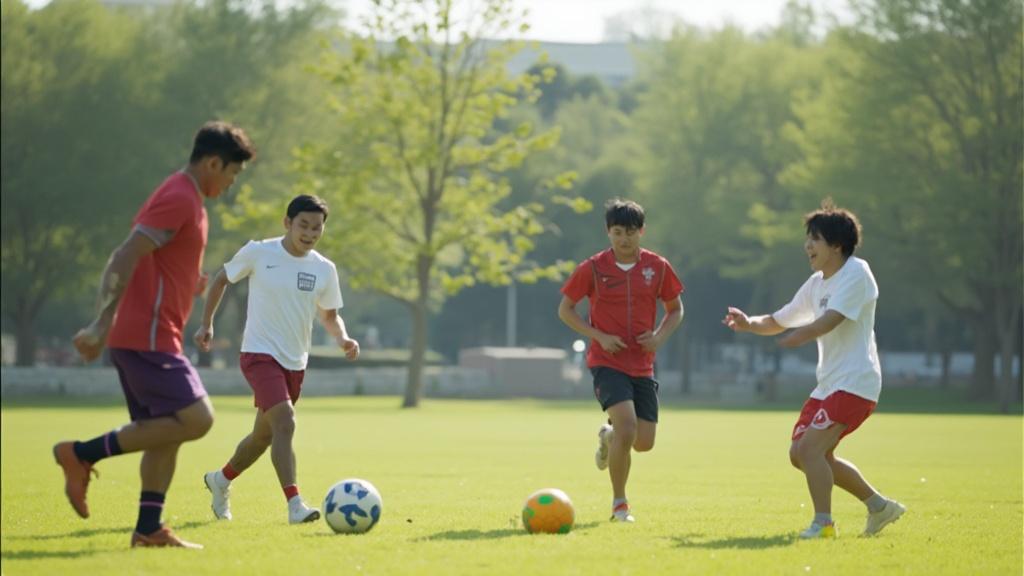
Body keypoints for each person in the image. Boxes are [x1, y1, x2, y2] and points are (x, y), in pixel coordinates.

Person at [58, 121, 255, 549]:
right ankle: (81, 454)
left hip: (153, 335)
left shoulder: (189, 200)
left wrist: (192, 283)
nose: (231, 183)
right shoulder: (180, 196)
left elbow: (161, 262)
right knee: (197, 418)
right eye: (231, 174)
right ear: (213, 162)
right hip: (145, 335)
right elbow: (125, 253)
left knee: (167, 429)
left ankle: (148, 529)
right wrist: (100, 322)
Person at [722, 200, 906, 539]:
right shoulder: (816, 282)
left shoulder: (857, 273)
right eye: (808, 239)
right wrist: (749, 324)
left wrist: (802, 335)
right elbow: (780, 319)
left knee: (810, 450)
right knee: (800, 454)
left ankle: (824, 524)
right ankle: (880, 506)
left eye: (815, 239)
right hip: (828, 384)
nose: (808, 246)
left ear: (837, 245)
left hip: (856, 382)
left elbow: (829, 320)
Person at [195, 194, 359, 525]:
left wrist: (343, 338)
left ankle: (221, 479)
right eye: (303, 225)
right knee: (285, 422)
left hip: (295, 362)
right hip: (258, 354)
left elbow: (329, 315)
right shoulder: (259, 251)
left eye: (317, 227)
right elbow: (221, 279)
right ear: (287, 223)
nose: (310, 233)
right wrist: (207, 323)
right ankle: (295, 504)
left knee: (264, 435)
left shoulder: (324, 269)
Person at [558, 198, 684, 523]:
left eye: (630, 232)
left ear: (642, 231)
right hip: (606, 362)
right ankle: (620, 504)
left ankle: (610, 437)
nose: (623, 239)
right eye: (617, 232)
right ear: (608, 232)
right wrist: (598, 336)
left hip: (643, 364)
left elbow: (675, 309)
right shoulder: (593, 268)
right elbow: (565, 310)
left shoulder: (658, 267)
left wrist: (658, 337)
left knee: (643, 443)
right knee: (627, 425)